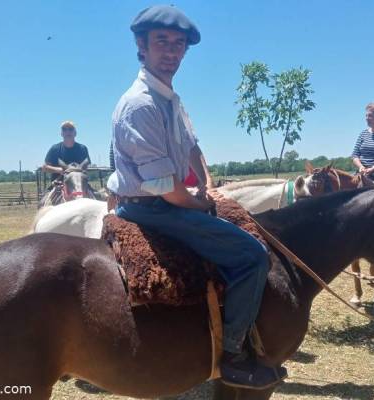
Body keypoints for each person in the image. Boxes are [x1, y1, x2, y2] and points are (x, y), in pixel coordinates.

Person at [106, 5, 286, 389]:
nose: (171, 52)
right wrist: (201, 203)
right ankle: (234, 354)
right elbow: (166, 190)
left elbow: (191, 145)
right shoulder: (141, 105)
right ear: (141, 45)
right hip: (152, 208)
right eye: (162, 43)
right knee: (252, 256)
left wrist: (207, 182)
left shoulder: (170, 99)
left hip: (165, 199)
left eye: (178, 45)